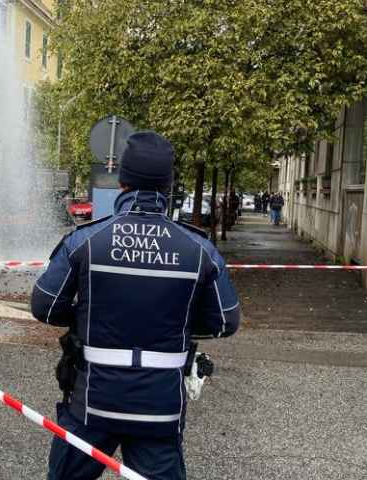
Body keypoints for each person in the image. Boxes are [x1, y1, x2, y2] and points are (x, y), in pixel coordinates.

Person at [31, 131, 241, 480]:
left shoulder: (86, 241)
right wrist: (179, 320)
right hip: (159, 410)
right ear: (168, 185)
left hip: (91, 404)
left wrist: (87, 317)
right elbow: (225, 320)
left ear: (122, 180)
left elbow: (46, 307)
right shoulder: (199, 249)